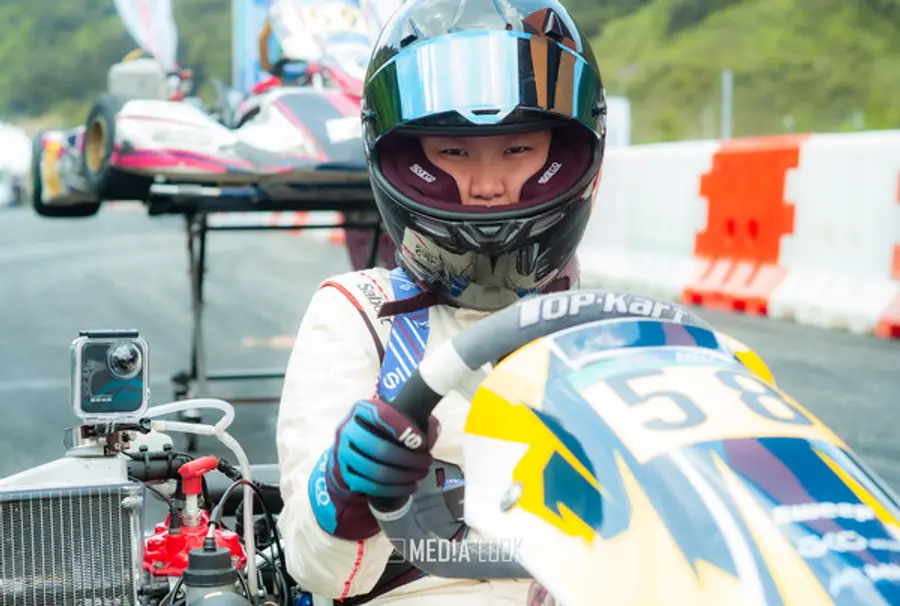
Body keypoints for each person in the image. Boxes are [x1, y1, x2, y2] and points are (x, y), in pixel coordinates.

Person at [275, 0, 606, 602]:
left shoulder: (607, 329)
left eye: (517, 150)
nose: (486, 186)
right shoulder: (357, 312)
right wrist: (347, 487)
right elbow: (319, 571)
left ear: (567, 156)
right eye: (454, 152)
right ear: (403, 158)